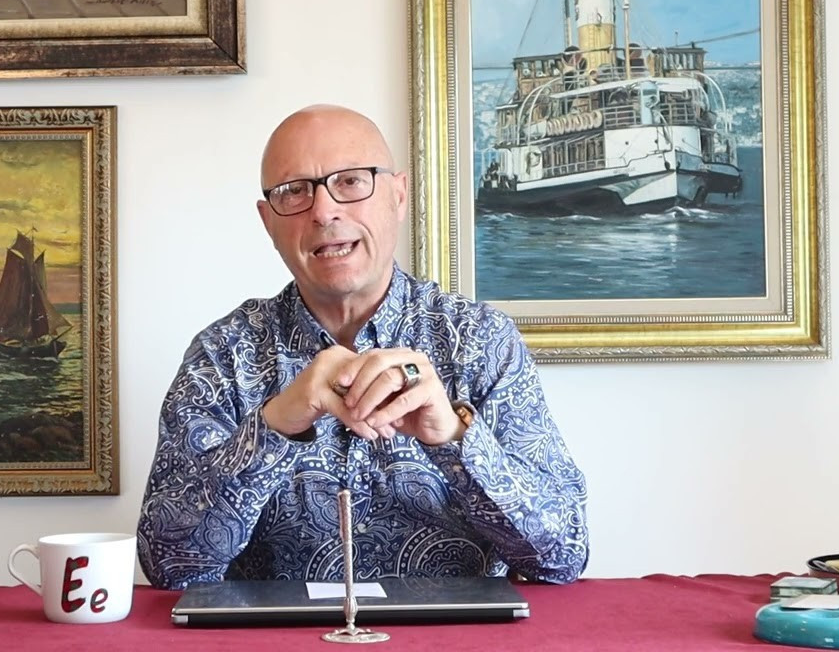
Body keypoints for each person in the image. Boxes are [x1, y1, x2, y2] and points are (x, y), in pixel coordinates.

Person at [137, 105, 589, 590]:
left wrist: (455, 437)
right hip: (280, 633)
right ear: (268, 223)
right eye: (294, 192)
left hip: (451, 632)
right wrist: (272, 427)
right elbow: (170, 566)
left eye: (351, 181)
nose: (323, 212)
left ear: (398, 195)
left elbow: (562, 556)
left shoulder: (481, 341)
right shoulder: (223, 356)